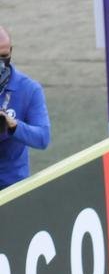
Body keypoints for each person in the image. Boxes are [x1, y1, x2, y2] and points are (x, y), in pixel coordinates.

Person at [0, 26, 52, 190]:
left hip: (11, 186)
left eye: (4, 56)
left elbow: (43, 138)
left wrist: (13, 126)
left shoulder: (28, 89)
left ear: (11, 52)